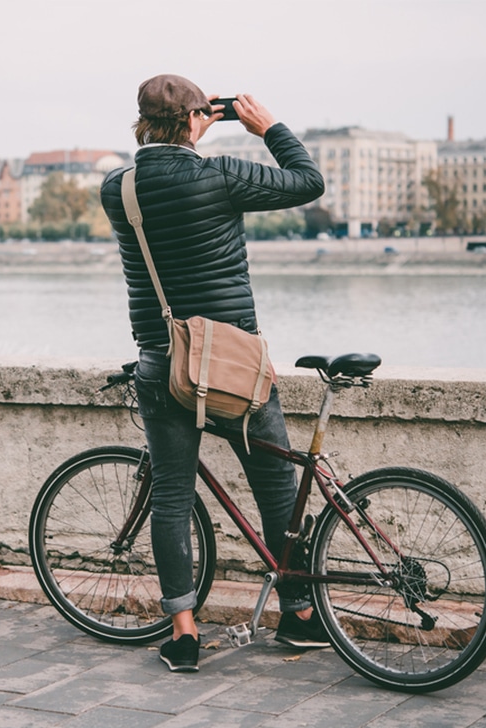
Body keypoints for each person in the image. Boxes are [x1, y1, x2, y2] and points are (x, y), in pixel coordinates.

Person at [100, 75, 327, 673]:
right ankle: (300, 616)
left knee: (171, 498)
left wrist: (191, 128)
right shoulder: (220, 174)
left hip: (162, 362)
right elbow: (309, 182)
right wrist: (266, 127)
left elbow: (164, 179)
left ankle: (183, 634)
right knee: (277, 491)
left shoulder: (115, 189)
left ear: (141, 122)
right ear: (198, 119)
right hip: (237, 364)